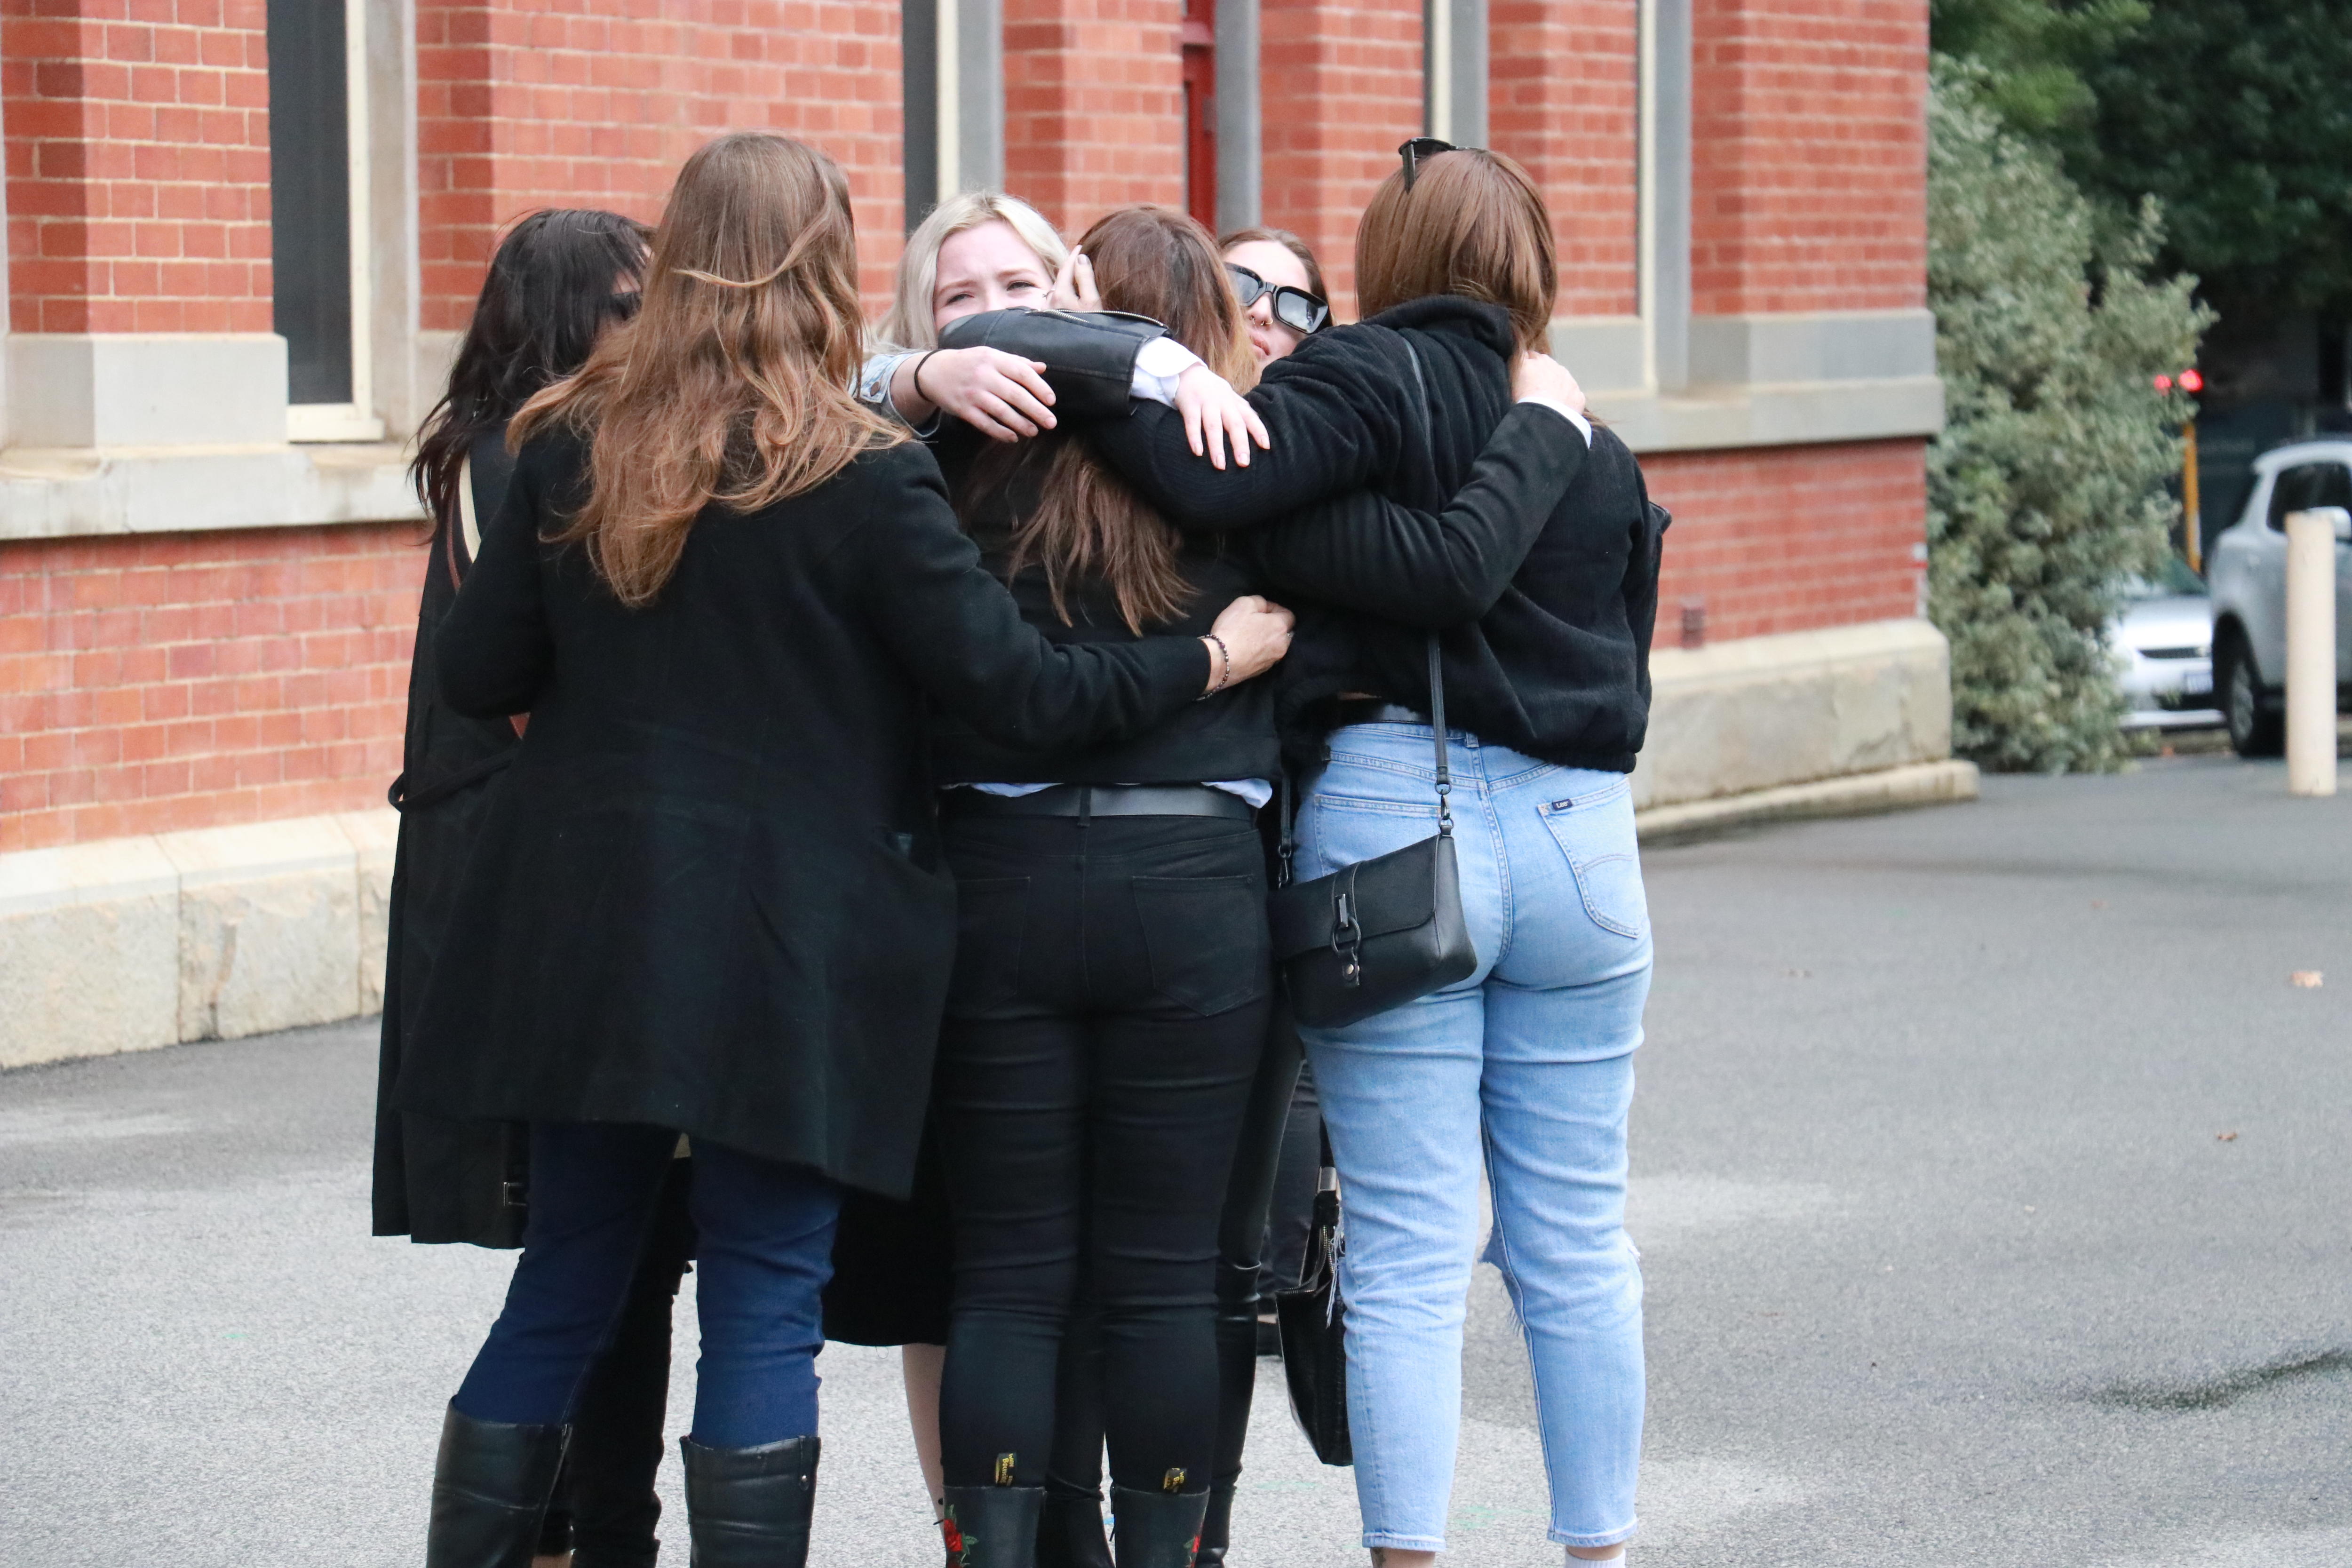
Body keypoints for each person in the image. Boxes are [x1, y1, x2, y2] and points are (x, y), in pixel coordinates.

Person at [391, 132, 1293, 1568]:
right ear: (825, 264)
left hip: (586, 931)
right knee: (762, 1289)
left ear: (675, 256)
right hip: (788, 946)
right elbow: (1026, 694)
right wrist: (1207, 661)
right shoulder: (862, 474)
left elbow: (478, 671)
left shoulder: (571, 436)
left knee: (567, 1276)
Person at [1046, 142, 1662, 1565]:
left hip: (1394, 823)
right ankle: (1600, 1552)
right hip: (1582, 836)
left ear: (1385, 258)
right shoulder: (1589, 440)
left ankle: (1408, 1559)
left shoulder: (1353, 380)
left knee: (1406, 1243)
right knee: (1577, 1236)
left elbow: (1222, 489)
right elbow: (1621, 664)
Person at [371, 207, 693, 1568]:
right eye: (630, 303)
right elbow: (534, 691)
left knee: (595, 1246)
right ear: (574, 316)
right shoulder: (526, 458)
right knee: (607, 1243)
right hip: (542, 873)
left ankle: (570, 1529)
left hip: (500, 860)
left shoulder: (487, 447)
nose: (652, 325)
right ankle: (590, 1529)